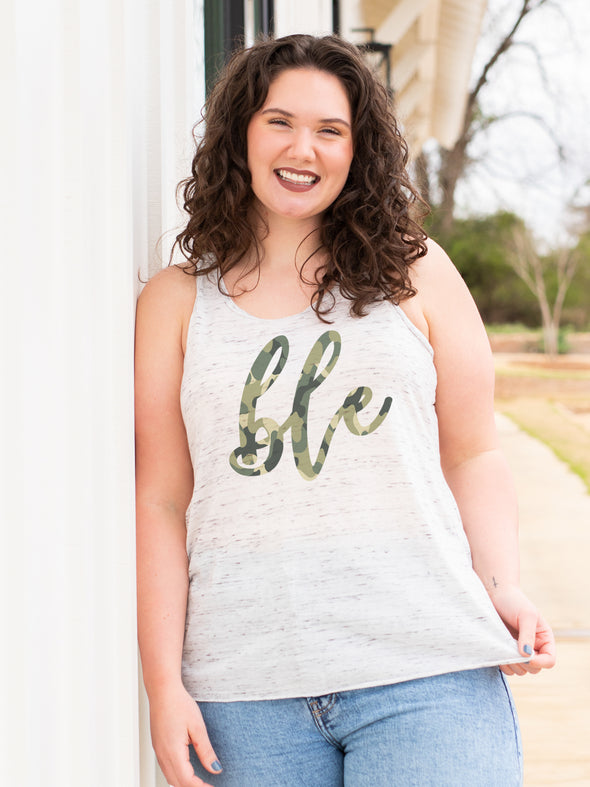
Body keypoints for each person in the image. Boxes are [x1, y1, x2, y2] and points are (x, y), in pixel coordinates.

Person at [134, 34, 555, 787]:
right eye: (280, 121)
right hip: (244, 691)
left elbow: (473, 451)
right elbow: (162, 499)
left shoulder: (415, 272)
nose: (305, 148)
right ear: (240, 134)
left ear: (359, 152)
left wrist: (504, 586)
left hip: (428, 673)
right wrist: (164, 684)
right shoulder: (173, 302)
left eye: (332, 130)